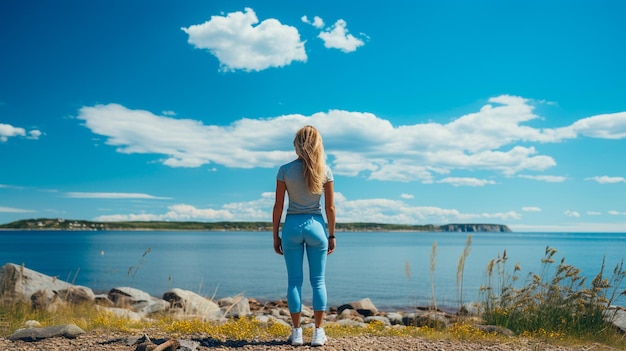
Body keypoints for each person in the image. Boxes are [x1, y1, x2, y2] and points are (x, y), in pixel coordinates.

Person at [272, 125, 336, 347]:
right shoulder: (325, 171)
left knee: (294, 282)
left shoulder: (285, 170)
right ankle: (318, 333)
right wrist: (332, 235)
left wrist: (275, 236)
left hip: (291, 227)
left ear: (296, 144)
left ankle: (297, 333)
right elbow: (330, 209)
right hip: (317, 227)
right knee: (318, 281)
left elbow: (278, 207)